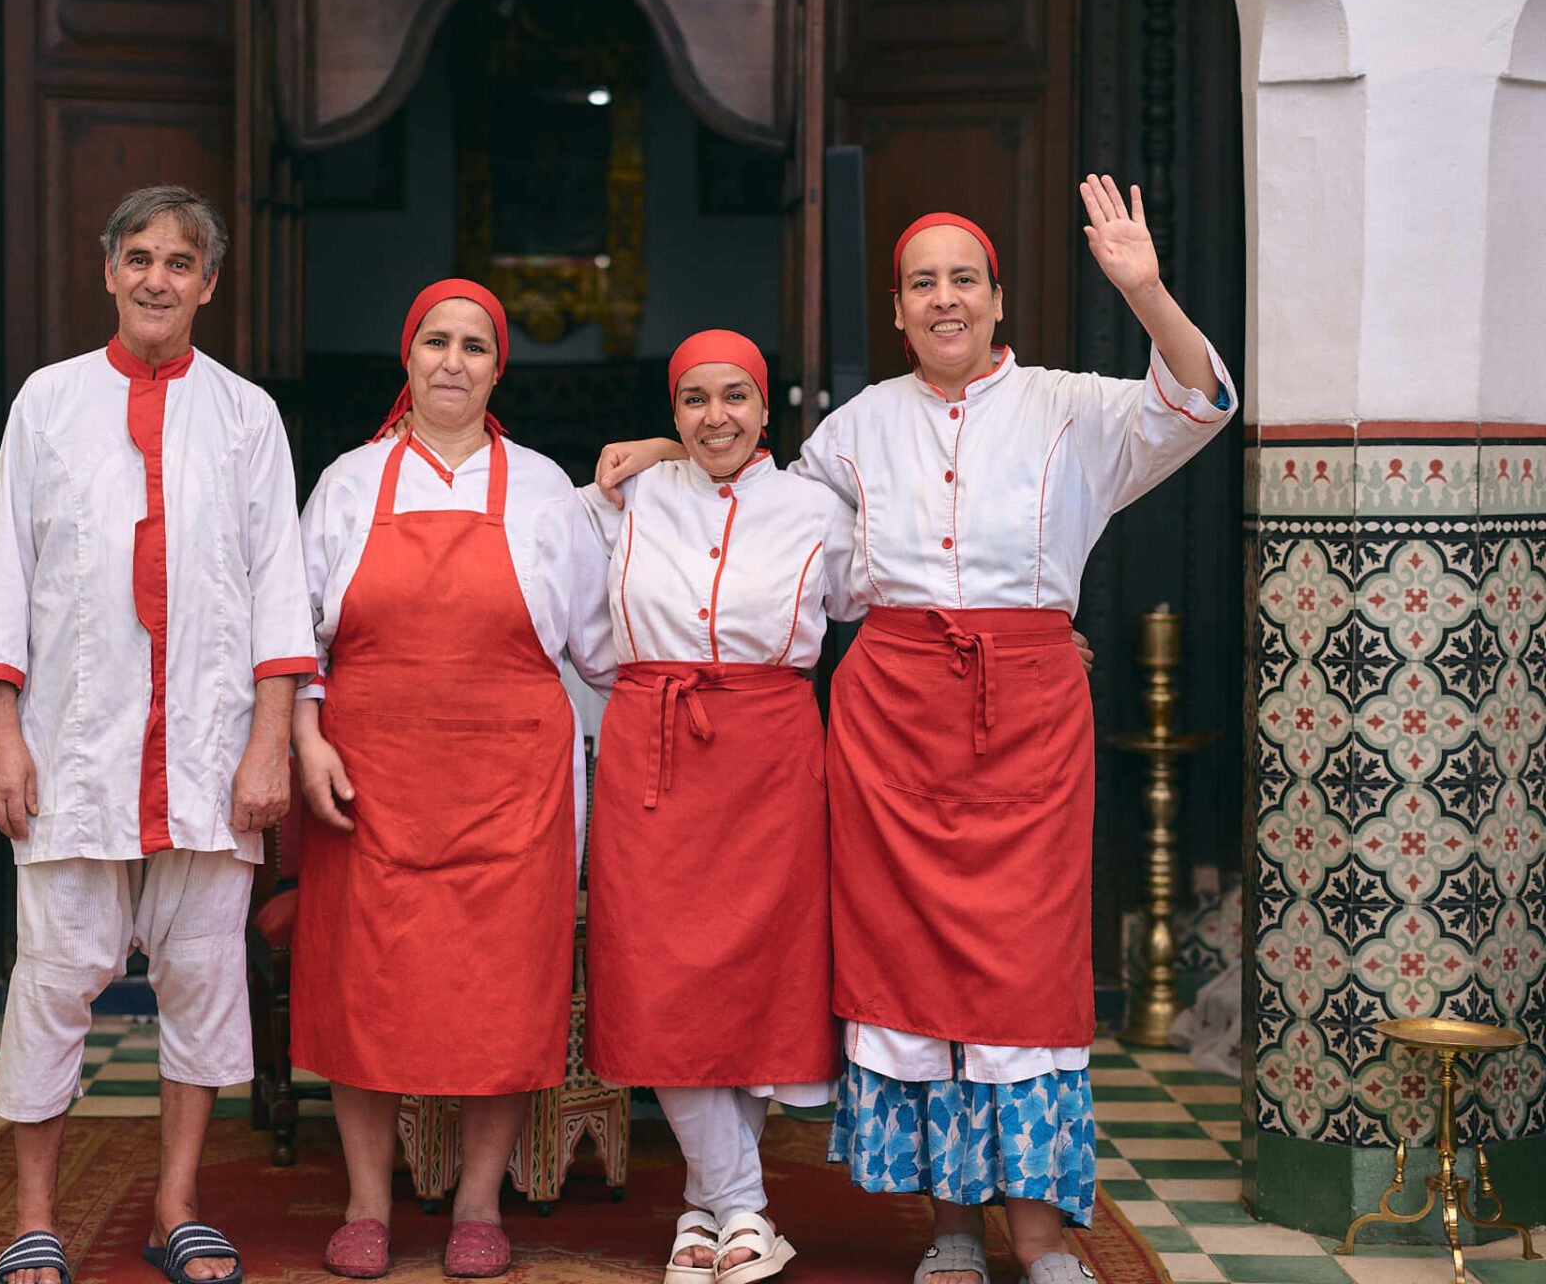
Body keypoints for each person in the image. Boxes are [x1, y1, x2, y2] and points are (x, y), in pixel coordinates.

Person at [597, 178, 1235, 1284]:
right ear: (897, 309)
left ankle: (1041, 1238)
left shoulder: (1072, 407)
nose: (945, 299)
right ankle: (950, 1230)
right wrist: (665, 448)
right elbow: (755, 500)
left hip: (1027, 719)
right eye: (922, 283)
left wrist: (1145, 290)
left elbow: (1198, 403)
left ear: (998, 298)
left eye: (964, 281)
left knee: (1027, 978)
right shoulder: (853, 430)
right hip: (890, 726)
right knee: (913, 979)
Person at [0, 186, 316, 1284]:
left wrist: (269, 742)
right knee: (51, 983)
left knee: (204, 984)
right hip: (71, 749)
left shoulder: (248, 415)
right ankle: (35, 1218)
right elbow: (9, 569)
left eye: (179, 262)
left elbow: (279, 588)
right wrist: (0, 728)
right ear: (108, 269)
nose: (157, 278)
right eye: (139, 257)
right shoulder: (47, 401)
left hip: (211, 754)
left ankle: (177, 1208)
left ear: (209, 283)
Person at [289, 279, 614, 1280]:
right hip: (368, 779)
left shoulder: (546, 490)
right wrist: (306, 738)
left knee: (500, 989)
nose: (453, 362)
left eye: (475, 346)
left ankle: (478, 1203)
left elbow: (601, 647)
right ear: (408, 355)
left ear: (497, 369)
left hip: (511, 783)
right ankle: (366, 1203)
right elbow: (297, 639)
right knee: (365, 986)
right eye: (436, 341)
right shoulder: (350, 482)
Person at [574, 329, 855, 1284]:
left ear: (766, 407)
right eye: (693, 400)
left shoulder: (820, 510)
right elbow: (553, 582)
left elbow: (889, 599)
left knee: (753, 976)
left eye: (735, 396)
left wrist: (1044, 631)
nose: (715, 416)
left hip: (774, 762)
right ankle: (742, 1206)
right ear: (673, 411)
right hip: (651, 753)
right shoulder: (628, 498)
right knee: (662, 974)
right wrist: (656, 454)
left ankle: (709, 1209)